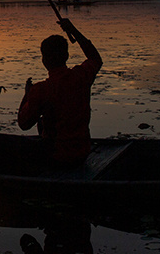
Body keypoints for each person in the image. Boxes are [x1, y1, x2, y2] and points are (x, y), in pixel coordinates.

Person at [17, 17, 102, 166]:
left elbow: (23, 124)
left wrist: (26, 95)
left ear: (44, 60)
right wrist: (73, 30)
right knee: (43, 123)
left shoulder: (41, 90)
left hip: (56, 156)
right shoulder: (81, 76)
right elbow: (95, 58)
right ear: (67, 56)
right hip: (82, 152)